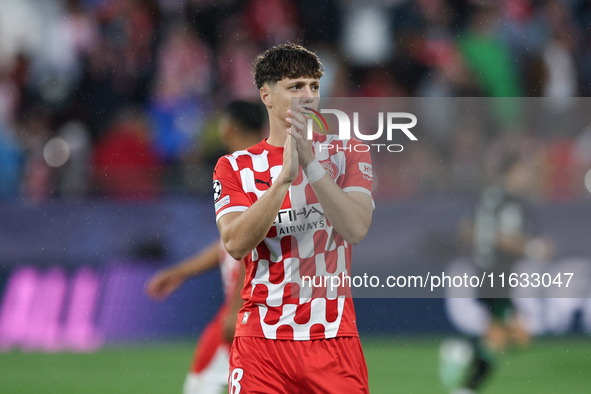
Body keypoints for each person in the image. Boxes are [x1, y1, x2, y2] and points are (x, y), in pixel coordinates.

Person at [214, 43, 374, 393]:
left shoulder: (348, 152)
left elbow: (356, 228)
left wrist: (312, 166)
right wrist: (284, 177)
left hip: (332, 339)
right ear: (266, 95)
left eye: (314, 86)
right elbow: (236, 243)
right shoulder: (235, 166)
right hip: (261, 344)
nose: (308, 96)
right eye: (295, 87)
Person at [146, 100, 265, 394]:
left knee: (202, 385)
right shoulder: (262, 164)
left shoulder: (244, 170)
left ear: (229, 128)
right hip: (260, 308)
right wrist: (181, 271)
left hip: (251, 308)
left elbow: (252, 246)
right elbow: (229, 244)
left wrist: (237, 307)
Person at [446, 152, 552, 393]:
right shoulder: (509, 204)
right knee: (504, 337)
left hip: (488, 273)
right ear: (513, 171)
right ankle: (466, 378)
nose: (527, 176)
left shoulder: (488, 198)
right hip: (497, 276)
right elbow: (498, 237)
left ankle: (465, 364)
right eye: (523, 171)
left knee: (515, 338)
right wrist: (531, 247)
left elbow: (466, 230)